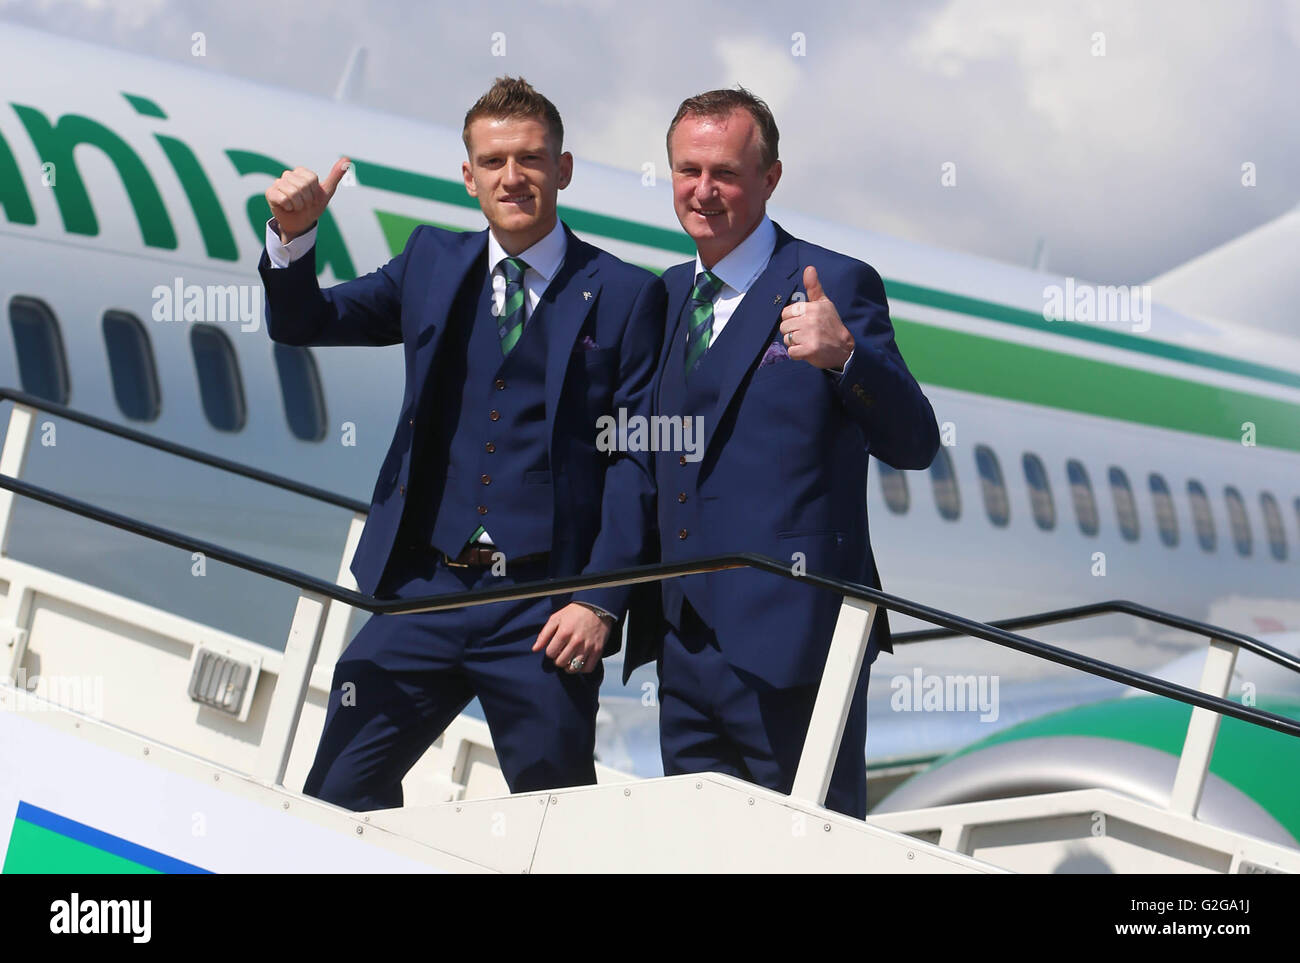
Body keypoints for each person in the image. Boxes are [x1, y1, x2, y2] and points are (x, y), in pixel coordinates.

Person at [259, 77, 664, 810]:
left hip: (541, 609)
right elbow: (306, 322)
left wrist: (599, 602)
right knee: (334, 795)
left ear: (563, 170)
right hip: (425, 591)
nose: (514, 177)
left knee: (559, 828)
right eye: (495, 160)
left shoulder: (628, 293)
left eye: (532, 159)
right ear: (469, 175)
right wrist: (295, 239)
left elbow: (638, 462)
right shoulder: (430, 262)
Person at [626, 87, 940, 819]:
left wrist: (846, 358)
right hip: (684, 647)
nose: (704, 191)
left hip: (795, 645)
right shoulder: (664, 298)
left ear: (769, 179)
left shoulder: (835, 283)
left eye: (726, 173)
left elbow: (916, 442)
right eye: (687, 170)